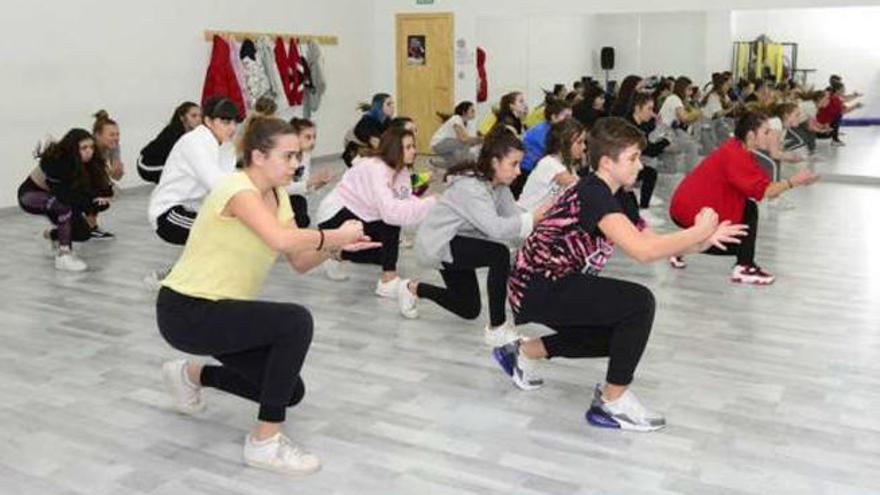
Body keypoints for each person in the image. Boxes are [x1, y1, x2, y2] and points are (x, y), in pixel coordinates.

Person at [156, 116, 378, 476]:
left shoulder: (278, 197)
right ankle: (264, 442)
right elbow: (280, 240)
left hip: (221, 312)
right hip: (186, 309)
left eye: (298, 156)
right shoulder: (235, 189)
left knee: (288, 390)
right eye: (288, 156)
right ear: (258, 156)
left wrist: (340, 247)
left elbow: (300, 260)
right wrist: (333, 234)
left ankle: (190, 375)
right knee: (294, 321)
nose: (297, 164)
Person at [494, 117, 746, 431]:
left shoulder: (616, 196)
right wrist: (696, 230)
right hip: (537, 285)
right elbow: (642, 252)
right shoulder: (592, 192)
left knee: (620, 334)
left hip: (555, 281)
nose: (640, 166)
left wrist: (699, 241)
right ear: (606, 162)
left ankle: (521, 351)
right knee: (639, 303)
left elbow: (649, 242)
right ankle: (611, 404)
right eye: (633, 158)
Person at [402, 129, 548, 346]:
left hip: (457, 242)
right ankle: (496, 328)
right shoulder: (471, 187)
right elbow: (497, 229)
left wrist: (541, 237)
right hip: (438, 244)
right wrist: (532, 219)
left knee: (468, 309)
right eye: (514, 164)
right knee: (499, 254)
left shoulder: (499, 187)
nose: (518, 171)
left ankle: (412, 288)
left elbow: (516, 221)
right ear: (495, 162)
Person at [668, 111, 821, 282]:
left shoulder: (739, 147)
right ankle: (742, 266)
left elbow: (762, 185)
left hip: (697, 205)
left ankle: (681, 248)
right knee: (741, 234)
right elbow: (764, 192)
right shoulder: (735, 155)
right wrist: (794, 181)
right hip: (689, 209)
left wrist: (795, 181)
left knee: (744, 225)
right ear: (750, 135)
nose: (770, 135)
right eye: (766, 132)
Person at [316, 127, 437, 300]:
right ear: (395, 148)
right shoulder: (377, 168)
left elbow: (404, 200)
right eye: (408, 147)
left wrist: (432, 206)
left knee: (383, 253)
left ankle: (336, 254)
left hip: (362, 215)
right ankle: (388, 280)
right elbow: (391, 213)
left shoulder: (400, 169)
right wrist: (431, 203)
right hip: (334, 216)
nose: (414, 151)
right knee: (390, 228)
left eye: (413, 146)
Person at [148, 96, 240, 246]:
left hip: (196, 208)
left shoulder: (226, 144)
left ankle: (184, 270)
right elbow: (218, 184)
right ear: (209, 121)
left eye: (235, 122)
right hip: (169, 213)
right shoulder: (195, 141)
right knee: (224, 231)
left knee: (234, 228)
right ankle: (182, 270)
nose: (232, 128)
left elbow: (228, 181)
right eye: (226, 122)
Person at [17, 129, 113, 271]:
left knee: (83, 233)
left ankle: (49, 235)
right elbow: (65, 195)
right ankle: (64, 255)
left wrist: (100, 199)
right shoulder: (57, 162)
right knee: (63, 207)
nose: (89, 151)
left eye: (91, 147)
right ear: (73, 148)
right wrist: (91, 201)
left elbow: (92, 190)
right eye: (84, 148)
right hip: (30, 196)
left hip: (55, 197)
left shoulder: (89, 163)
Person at [518, 118, 585, 212]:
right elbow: (580, 188)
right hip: (525, 219)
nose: (584, 147)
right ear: (564, 143)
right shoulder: (549, 163)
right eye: (579, 142)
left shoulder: (567, 166)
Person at [513, 98, 572, 199]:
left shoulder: (551, 130)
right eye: (566, 116)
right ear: (554, 117)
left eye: (570, 117)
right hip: (526, 173)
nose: (570, 120)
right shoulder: (543, 133)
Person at [626, 93, 669, 226]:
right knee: (650, 173)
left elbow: (647, 132)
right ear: (638, 108)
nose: (652, 113)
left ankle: (642, 205)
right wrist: (666, 141)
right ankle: (642, 210)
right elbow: (650, 151)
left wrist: (657, 125)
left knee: (649, 173)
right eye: (649, 109)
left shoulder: (638, 123)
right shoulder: (630, 128)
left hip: (627, 168)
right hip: (620, 172)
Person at [285, 118, 333, 228]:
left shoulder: (305, 155)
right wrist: (311, 182)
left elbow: (302, 187)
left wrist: (318, 185)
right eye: (308, 137)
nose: (313, 142)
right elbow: (282, 189)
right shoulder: (284, 157)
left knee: (303, 219)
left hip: (296, 198)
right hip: (279, 199)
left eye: (314, 137)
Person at [139, 102, 202, 184]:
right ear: (182, 118)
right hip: (146, 164)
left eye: (200, 115)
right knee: (181, 171)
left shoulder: (194, 132)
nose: (198, 119)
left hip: (162, 161)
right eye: (193, 116)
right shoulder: (173, 132)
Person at [90, 110, 123, 239]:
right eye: (111, 135)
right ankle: (91, 226)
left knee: (109, 191)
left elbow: (117, 175)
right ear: (97, 135)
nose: (116, 138)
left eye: (117, 134)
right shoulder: (89, 147)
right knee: (99, 190)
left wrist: (117, 170)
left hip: (93, 176)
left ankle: (90, 225)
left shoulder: (114, 146)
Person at [342, 93, 394, 167]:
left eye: (392, 103)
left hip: (369, 152)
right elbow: (379, 147)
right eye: (388, 104)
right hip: (354, 155)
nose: (393, 107)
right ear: (379, 106)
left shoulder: (386, 120)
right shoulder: (367, 121)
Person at [430, 101, 482, 169]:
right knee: (465, 144)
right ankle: (465, 164)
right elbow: (463, 139)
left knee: (454, 165)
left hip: (443, 145)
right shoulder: (456, 118)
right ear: (464, 112)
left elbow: (468, 140)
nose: (474, 112)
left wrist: (478, 140)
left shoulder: (463, 123)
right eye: (472, 110)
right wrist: (480, 140)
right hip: (438, 144)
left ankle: (432, 163)